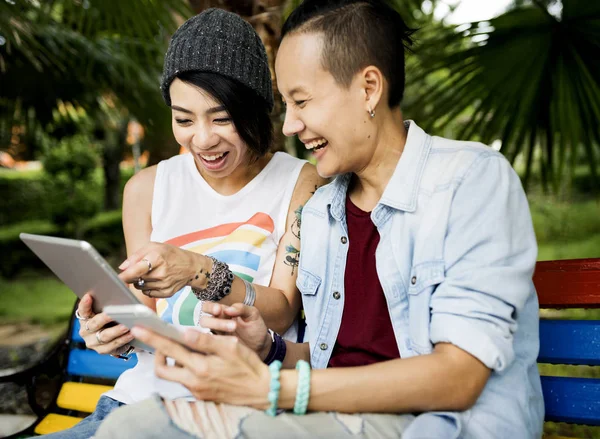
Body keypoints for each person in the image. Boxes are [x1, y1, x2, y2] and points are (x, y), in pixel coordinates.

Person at [92, 1, 545, 438]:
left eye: (302, 102)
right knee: (136, 425)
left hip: (437, 425)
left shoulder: (469, 180)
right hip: (337, 418)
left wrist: (271, 386)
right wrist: (268, 349)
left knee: (139, 428)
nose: (289, 126)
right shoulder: (325, 211)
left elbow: (459, 377)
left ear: (369, 88)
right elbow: (341, 361)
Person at [37, 8, 326, 439]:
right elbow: (146, 314)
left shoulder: (298, 182)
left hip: (234, 408)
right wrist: (112, 334)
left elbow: (283, 307)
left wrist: (197, 270)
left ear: (255, 109)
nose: (203, 139)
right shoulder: (146, 189)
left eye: (222, 118)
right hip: (136, 400)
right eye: (184, 119)